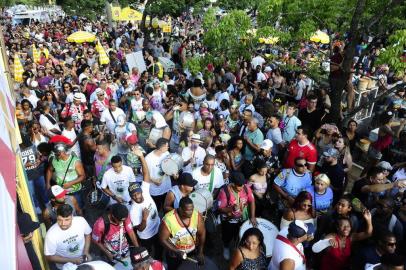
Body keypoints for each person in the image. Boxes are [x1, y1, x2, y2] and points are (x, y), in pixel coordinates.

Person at [128, 149, 162, 259]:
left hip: (157, 228)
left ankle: (159, 261)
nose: (137, 196)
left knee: (159, 250)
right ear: (131, 196)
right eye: (133, 195)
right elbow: (140, 229)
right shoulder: (133, 210)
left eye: (138, 193)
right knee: (147, 253)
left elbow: (146, 173)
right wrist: (144, 218)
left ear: (141, 191)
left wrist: (141, 156)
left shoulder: (145, 191)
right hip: (146, 236)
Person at [217, 171, 257, 260]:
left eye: (242, 185)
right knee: (227, 235)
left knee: (240, 234)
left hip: (243, 218)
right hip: (229, 220)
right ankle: (226, 247)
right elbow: (220, 208)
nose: (241, 187)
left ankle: (237, 248)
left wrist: (253, 216)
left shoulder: (246, 188)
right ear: (232, 184)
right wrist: (232, 209)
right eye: (239, 185)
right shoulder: (224, 192)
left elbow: (252, 201)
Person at [159, 197, 206, 270]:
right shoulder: (168, 219)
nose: (191, 212)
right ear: (180, 209)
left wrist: (200, 251)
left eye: (192, 209)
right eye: (188, 210)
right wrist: (176, 251)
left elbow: (202, 233)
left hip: (191, 251)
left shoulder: (196, 215)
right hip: (175, 255)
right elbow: (163, 239)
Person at [44, 204, 92, 269]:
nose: (63, 224)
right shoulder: (51, 234)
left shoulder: (81, 221)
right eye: (60, 220)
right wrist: (72, 260)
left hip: (83, 261)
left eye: (67, 220)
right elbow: (49, 257)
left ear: (72, 217)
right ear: (56, 217)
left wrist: (86, 251)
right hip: (64, 267)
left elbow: (87, 234)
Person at [45, 140, 85, 209]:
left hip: (75, 192)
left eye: (58, 154)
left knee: (78, 207)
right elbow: (49, 170)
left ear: (63, 152)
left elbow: (83, 176)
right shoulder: (54, 160)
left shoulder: (75, 161)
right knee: (66, 209)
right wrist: (48, 183)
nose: (56, 156)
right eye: (56, 154)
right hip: (62, 192)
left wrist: (70, 183)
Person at [145, 138, 172, 211]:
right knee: (156, 209)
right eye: (167, 146)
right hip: (155, 190)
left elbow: (170, 166)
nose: (168, 147)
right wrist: (154, 181)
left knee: (166, 207)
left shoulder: (166, 154)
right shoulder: (148, 158)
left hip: (166, 187)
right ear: (162, 147)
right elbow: (144, 173)